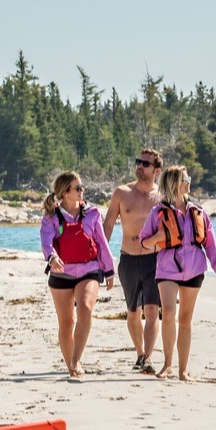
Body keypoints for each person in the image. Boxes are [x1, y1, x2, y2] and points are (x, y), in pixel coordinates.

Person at [139, 165, 216, 381]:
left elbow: (211, 247)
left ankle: (182, 370)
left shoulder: (198, 212)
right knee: (168, 313)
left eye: (188, 178)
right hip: (167, 269)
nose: (189, 181)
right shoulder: (157, 212)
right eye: (184, 178)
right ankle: (168, 364)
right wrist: (158, 236)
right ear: (173, 183)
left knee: (185, 319)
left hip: (195, 269)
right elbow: (143, 242)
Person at [38, 170, 116, 380]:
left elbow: (101, 242)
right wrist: (52, 258)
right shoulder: (51, 217)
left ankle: (76, 360)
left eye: (82, 187)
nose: (83, 191)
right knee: (66, 323)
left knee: (86, 308)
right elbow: (46, 242)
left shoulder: (92, 214)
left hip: (89, 270)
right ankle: (70, 365)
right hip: (60, 273)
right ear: (65, 193)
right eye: (78, 188)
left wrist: (109, 270)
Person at [105, 148, 165, 373]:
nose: (140, 166)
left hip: (155, 260)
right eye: (138, 162)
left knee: (151, 310)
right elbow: (108, 225)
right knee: (132, 311)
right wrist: (103, 259)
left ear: (156, 170)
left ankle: (148, 358)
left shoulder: (161, 196)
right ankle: (140, 352)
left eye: (146, 164)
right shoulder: (122, 192)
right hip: (128, 259)